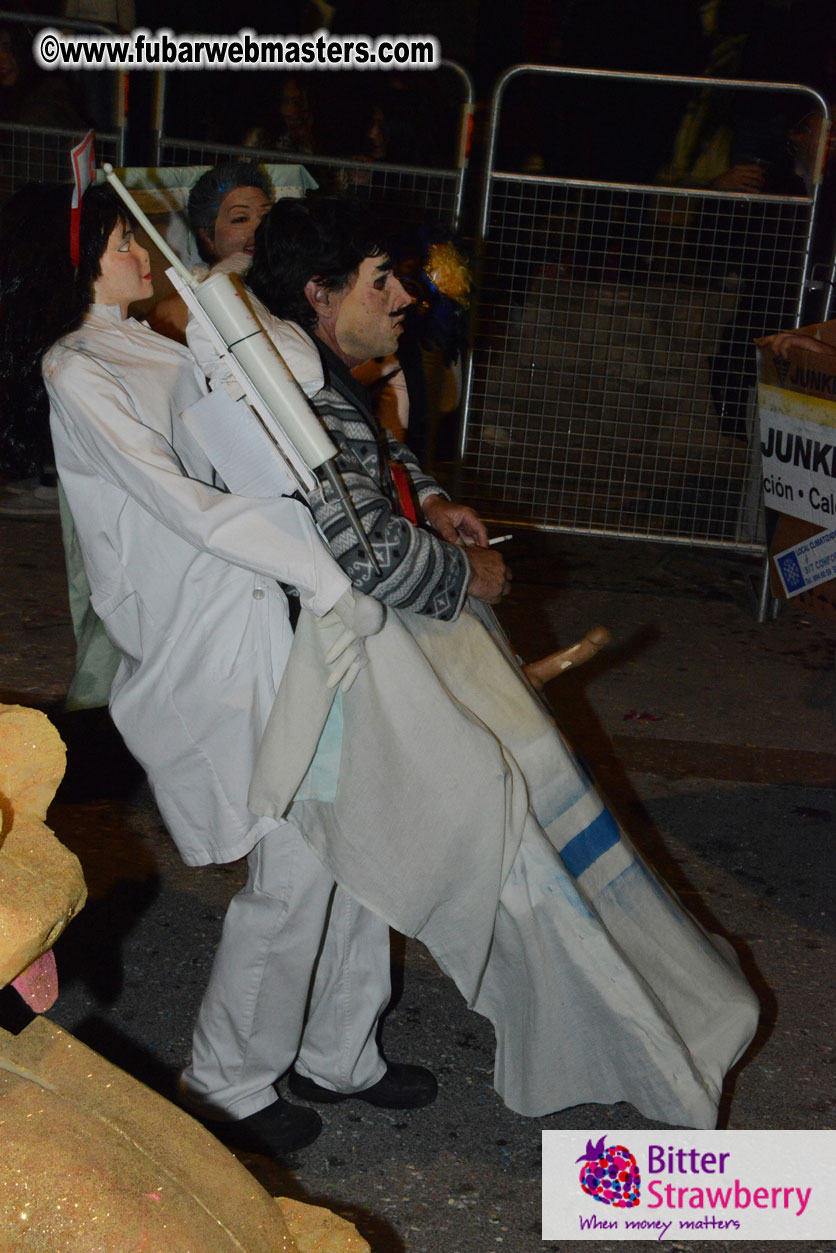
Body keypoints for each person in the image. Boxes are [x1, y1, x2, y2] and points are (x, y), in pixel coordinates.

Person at [192, 195, 760, 1130]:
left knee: (369, 865)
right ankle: (225, 1083)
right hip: (310, 678)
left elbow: (379, 464)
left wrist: (434, 499)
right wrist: (470, 574)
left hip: (360, 673)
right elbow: (366, 552)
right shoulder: (288, 394)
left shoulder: (317, 375)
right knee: (294, 882)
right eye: (382, 280)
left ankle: (337, 1054)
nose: (405, 297)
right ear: (320, 294)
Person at [0, 181, 476, 1161]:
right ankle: (229, 1077)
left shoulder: (153, 339)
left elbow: (264, 418)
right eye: (120, 240)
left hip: (270, 608)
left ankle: (339, 1047)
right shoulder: (78, 363)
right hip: (206, 634)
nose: (143, 251)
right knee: (296, 854)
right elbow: (184, 501)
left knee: (350, 827)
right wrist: (325, 571)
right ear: (76, 261)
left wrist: (232, 321)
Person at [147, 161, 273, 344]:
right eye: (240, 219)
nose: (259, 227)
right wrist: (220, 277)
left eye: (266, 216)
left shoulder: (290, 275)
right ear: (208, 236)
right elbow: (151, 330)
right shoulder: (193, 289)